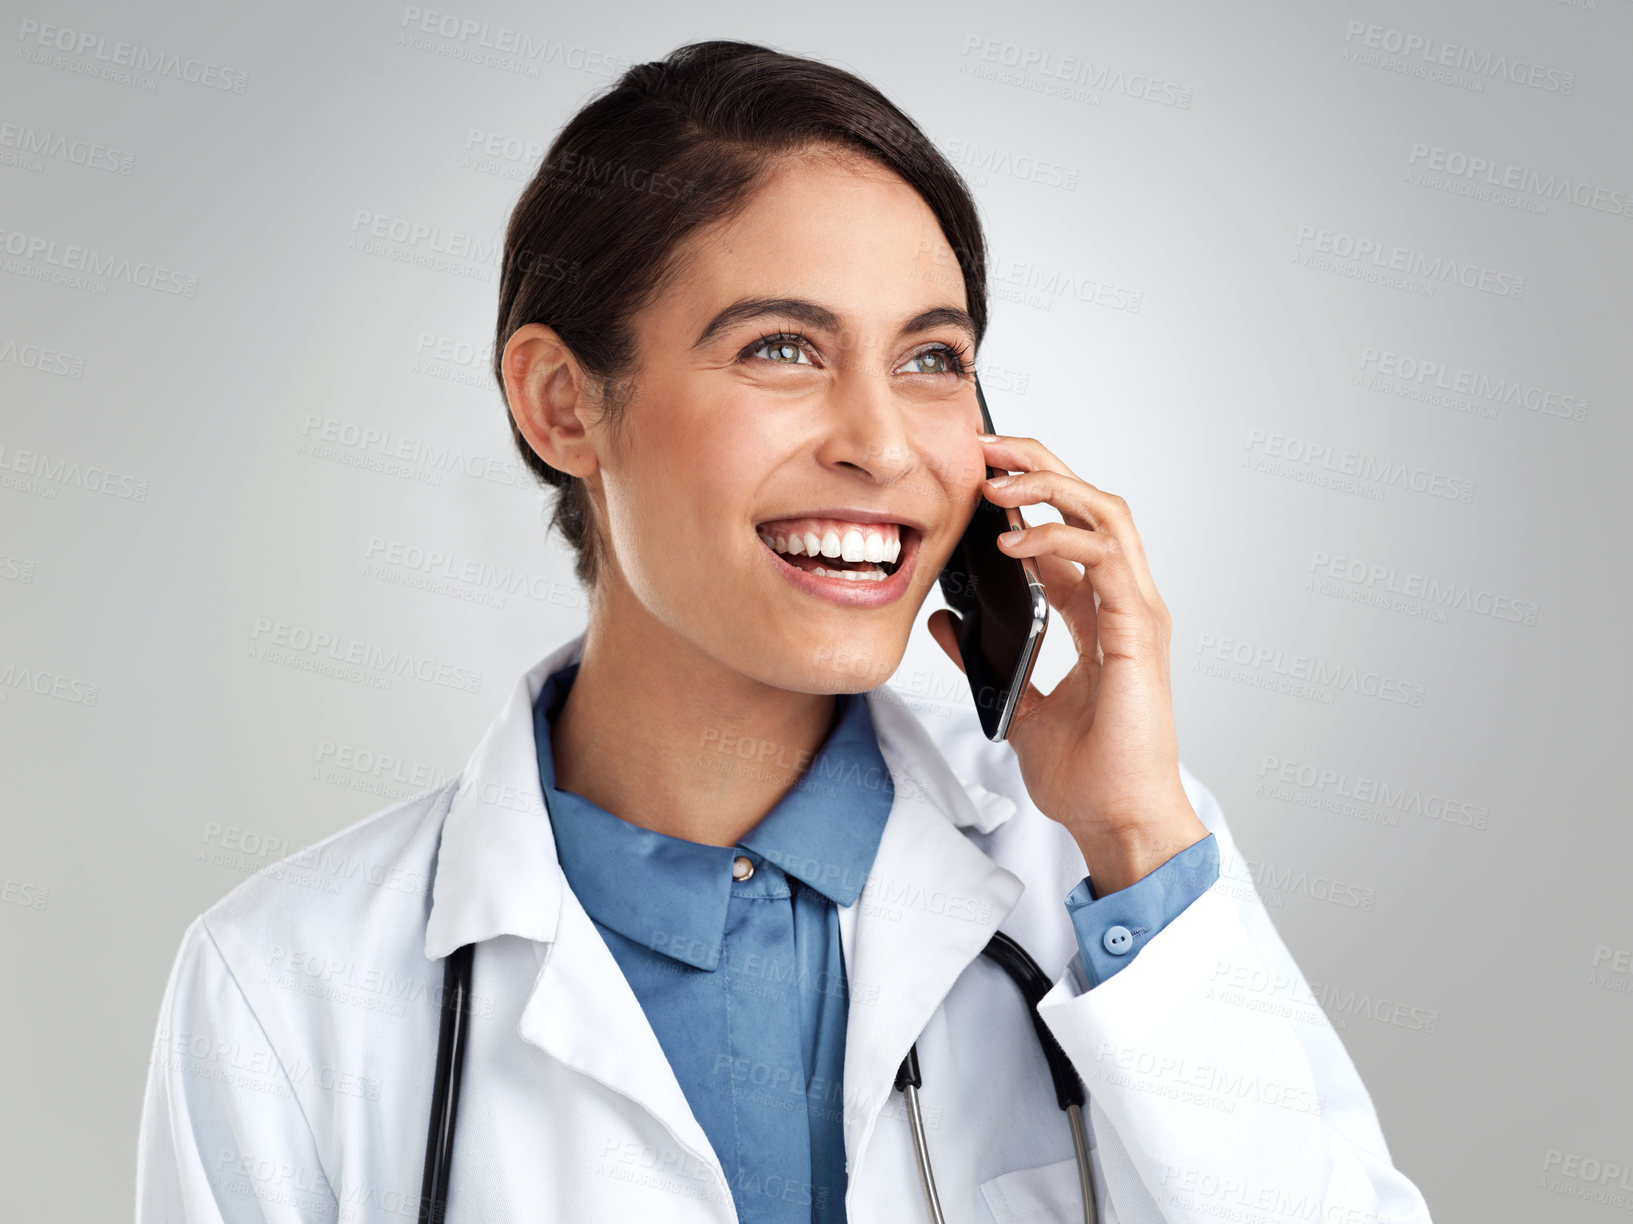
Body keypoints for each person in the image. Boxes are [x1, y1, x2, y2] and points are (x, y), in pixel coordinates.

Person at [137, 39, 1434, 1224]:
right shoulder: (284, 982)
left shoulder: (1105, 878)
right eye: (780, 349)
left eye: (929, 359)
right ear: (559, 403)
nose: (879, 445)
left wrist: (1138, 834)